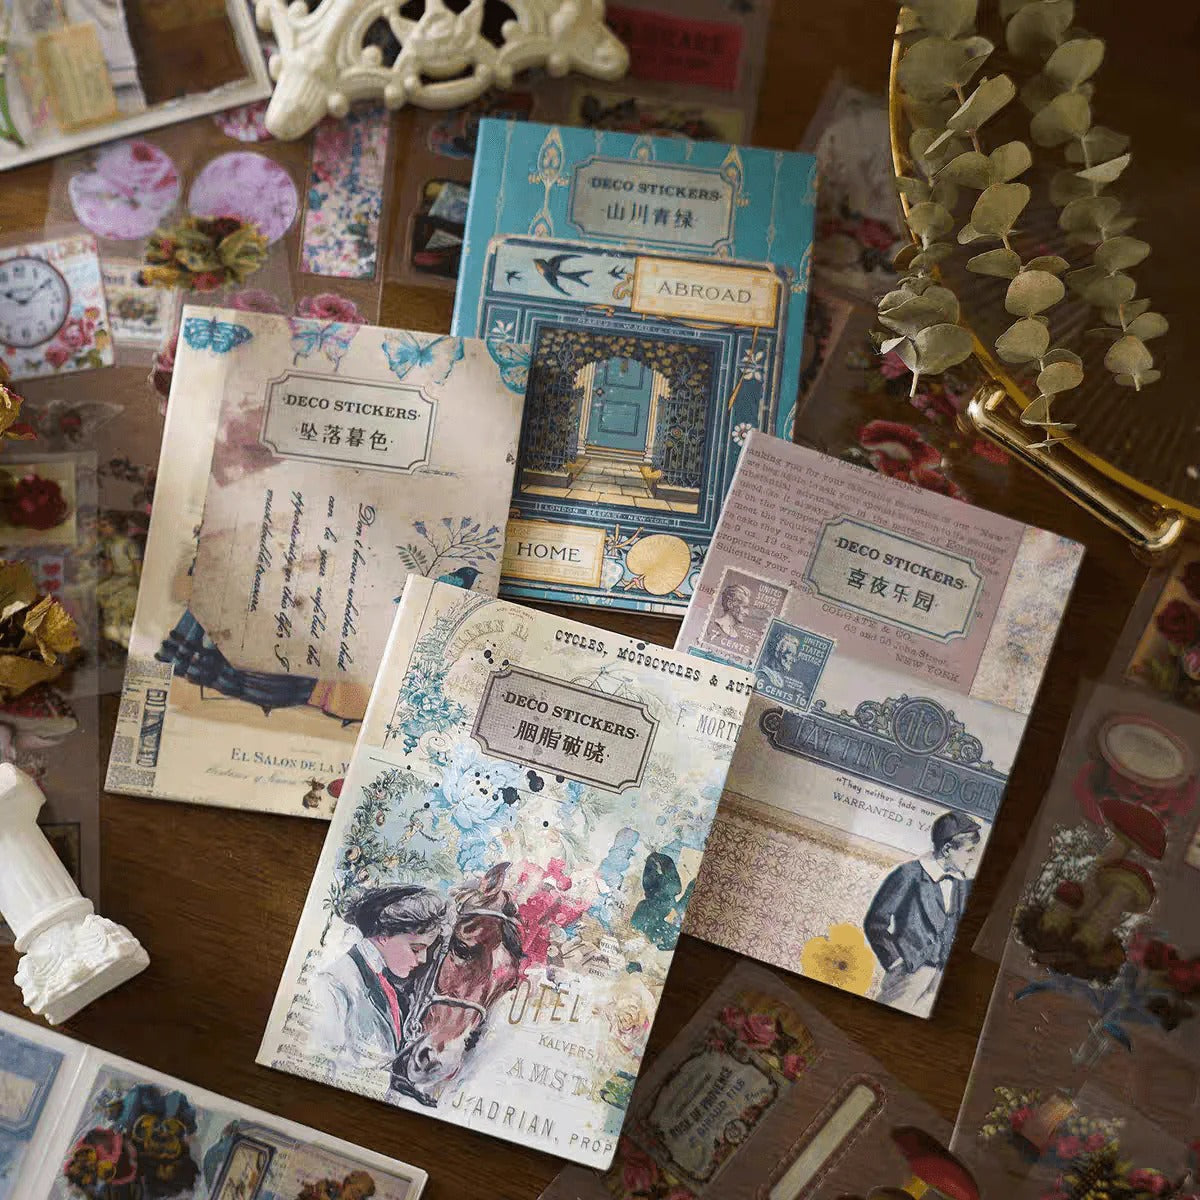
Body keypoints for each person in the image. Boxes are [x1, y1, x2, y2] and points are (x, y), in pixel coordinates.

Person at [308, 885, 451, 1074]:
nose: (423, 959)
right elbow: (318, 1062)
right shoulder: (333, 984)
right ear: (384, 936)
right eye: (416, 949)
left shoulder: (387, 985)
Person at [863, 811, 981, 1016]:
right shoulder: (908, 874)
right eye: (969, 850)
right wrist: (896, 962)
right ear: (947, 849)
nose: (972, 857)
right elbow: (875, 922)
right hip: (910, 972)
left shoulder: (963, 883)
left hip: (942, 976)